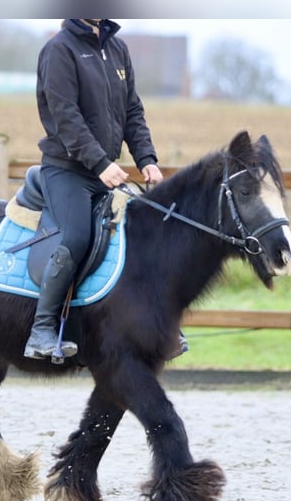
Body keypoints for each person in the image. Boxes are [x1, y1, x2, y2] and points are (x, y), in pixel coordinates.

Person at [23, 19, 187, 361]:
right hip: (67, 170)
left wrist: (147, 158)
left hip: (105, 171)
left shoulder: (117, 49)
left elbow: (132, 111)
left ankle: (159, 324)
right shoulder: (59, 50)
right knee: (77, 236)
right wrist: (100, 164)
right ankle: (42, 329)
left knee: (146, 232)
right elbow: (66, 116)